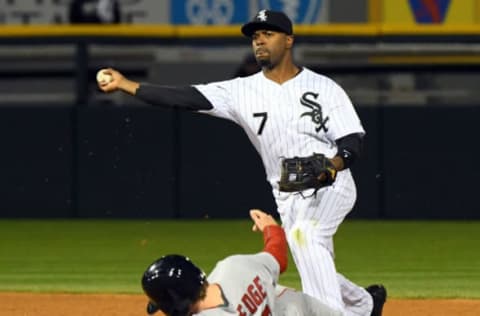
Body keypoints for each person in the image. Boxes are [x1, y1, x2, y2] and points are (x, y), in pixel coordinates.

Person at [98, 9, 387, 316]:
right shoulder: (240, 91)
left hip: (332, 185)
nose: (260, 41)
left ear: (288, 40)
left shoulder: (324, 88)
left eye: (268, 34)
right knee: (308, 255)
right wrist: (127, 85)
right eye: (255, 36)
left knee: (307, 235)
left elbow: (353, 139)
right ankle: (365, 303)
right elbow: (185, 97)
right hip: (286, 193)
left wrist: (334, 165)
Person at [141, 209, 342, 315]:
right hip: (304, 311)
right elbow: (278, 259)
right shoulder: (232, 266)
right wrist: (271, 229)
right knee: (282, 295)